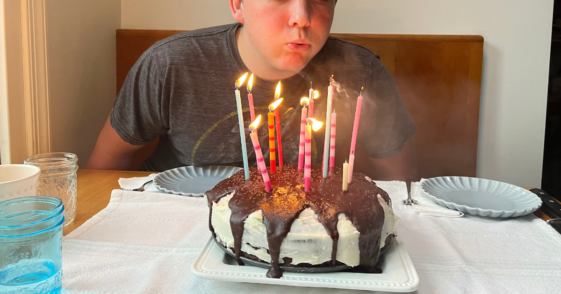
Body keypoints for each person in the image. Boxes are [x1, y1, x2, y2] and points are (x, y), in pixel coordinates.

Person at [87, 0, 418, 181]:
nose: (302, 17)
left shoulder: (360, 71)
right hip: (179, 222)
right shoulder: (170, 64)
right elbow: (107, 163)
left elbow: (401, 182)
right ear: (238, 5)